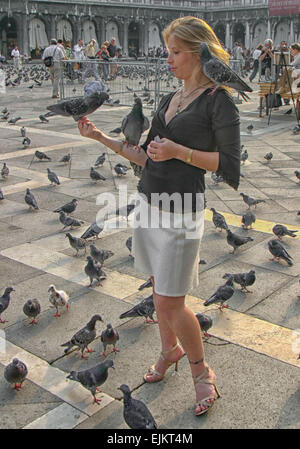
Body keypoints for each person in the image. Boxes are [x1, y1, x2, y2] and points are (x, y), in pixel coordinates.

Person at [77, 16, 241, 417]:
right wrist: (100, 138)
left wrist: (179, 152)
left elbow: (229, 165)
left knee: (170, 302)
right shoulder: (169, 99)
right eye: (167, 51)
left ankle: (202, 371)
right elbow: (145, 156)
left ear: (198, 53)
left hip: (182, 211)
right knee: (157, 290)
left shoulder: (219, 100)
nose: (167, 59)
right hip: (149, 204)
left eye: (174, 52)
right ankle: (168, 352)